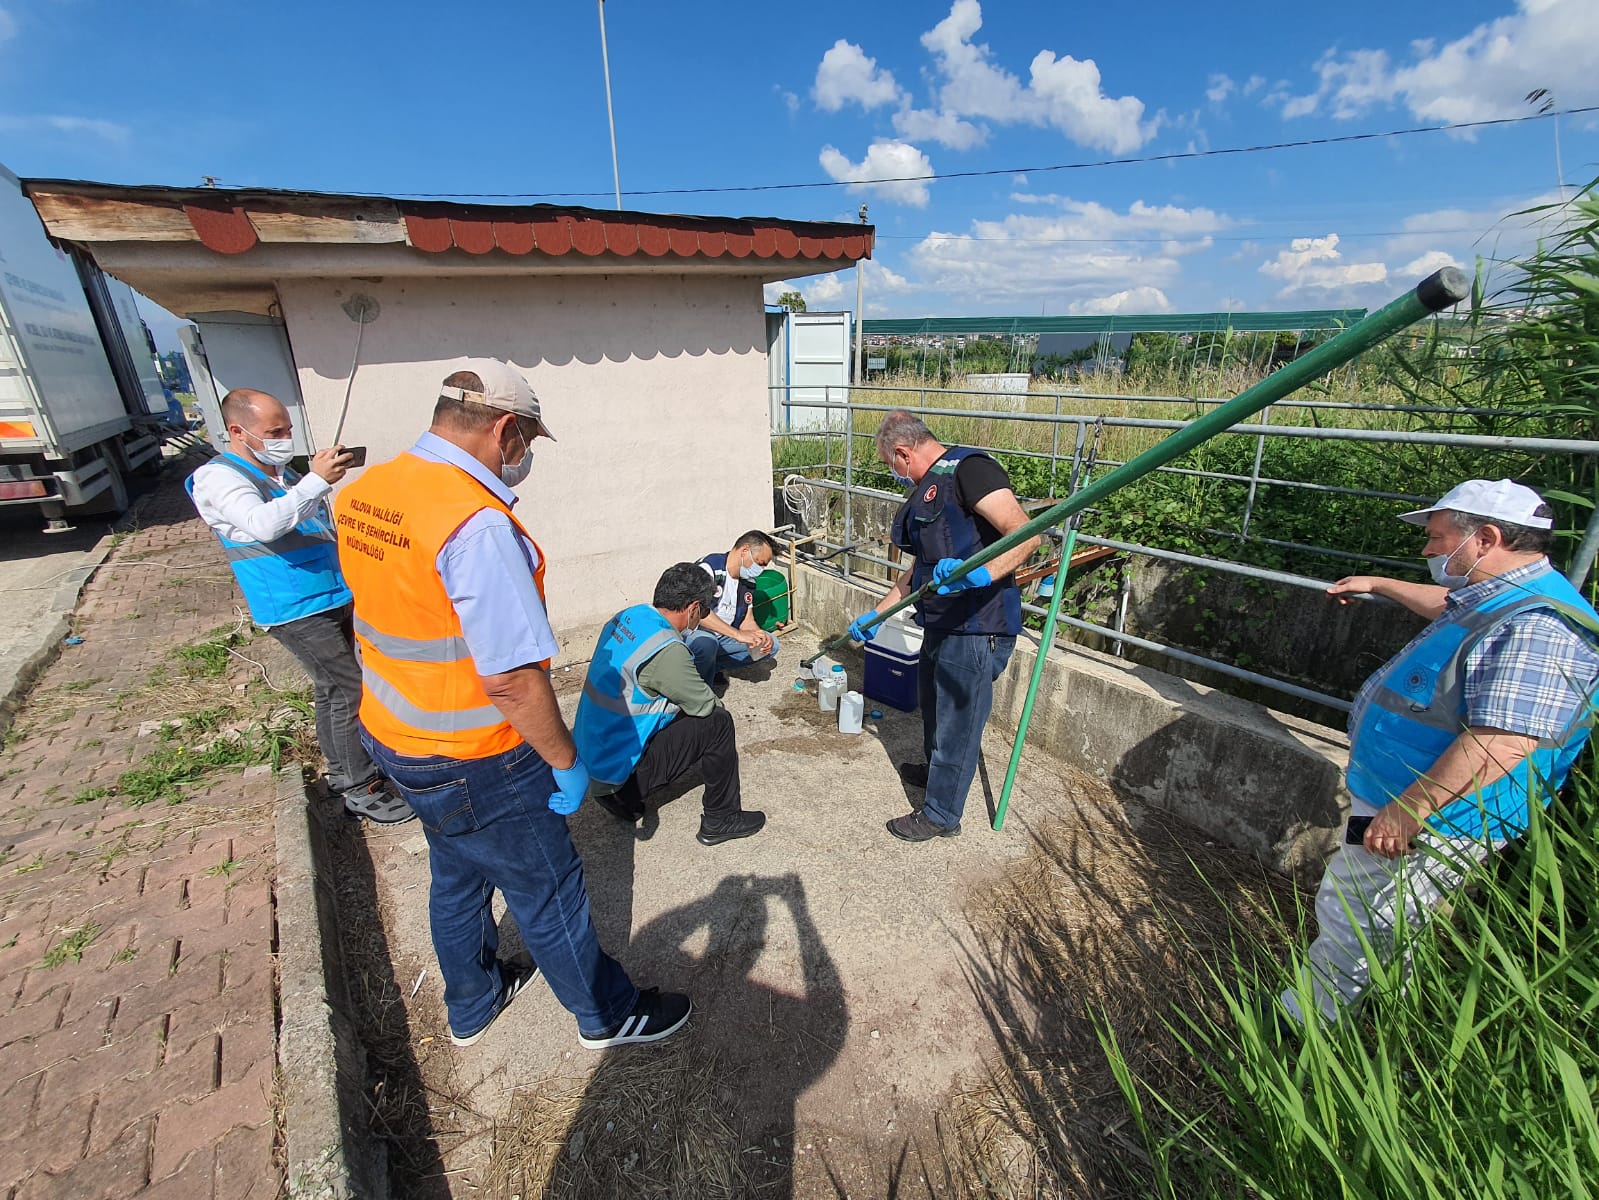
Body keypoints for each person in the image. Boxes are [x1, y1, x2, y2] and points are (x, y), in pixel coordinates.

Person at [334, 358, 690, 1049]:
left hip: (394, 736)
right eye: (526, 439)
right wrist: (563, 760)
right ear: (504, 429)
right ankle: (606, 1015)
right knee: (548, 891)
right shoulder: (477, 526)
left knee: (458, 877)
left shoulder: (368, 491)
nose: (522, 456)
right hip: (480, 758)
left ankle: (471, 1002)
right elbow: (510, 679)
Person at [1282, 479, 1599, 1025]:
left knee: (1357, 912)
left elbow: (1503, 740)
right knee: (1390, 915)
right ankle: (1380, 1015)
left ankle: (1303, 1024)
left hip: (1434, 815)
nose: (1427, 550)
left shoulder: (1539, 628)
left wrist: (1411, 808)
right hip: (1403, 801)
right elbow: (1449, 604)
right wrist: (1379, 583)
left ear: (1486, 538)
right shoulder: (1504, 595)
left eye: (1436, 538)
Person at [186, 388, 413, 824]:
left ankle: (354, 768)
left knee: (338, 689)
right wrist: (316, 481)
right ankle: (356, 785)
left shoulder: (278, 474)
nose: (284, 438)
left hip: (330, 594)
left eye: (288, 428)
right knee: (346, 689)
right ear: (238, 431)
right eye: (274, 431)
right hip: (294, 607)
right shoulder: (218, 478)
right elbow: (263, 524)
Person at [848, 411, 1040, 842]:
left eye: (890, 464)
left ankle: (940, 813)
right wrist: (876, 615)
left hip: (976, 625)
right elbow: (919, 571)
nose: (893, 473)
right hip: (940, 622)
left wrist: (982, 573)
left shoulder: (970, 470)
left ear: (902, 452)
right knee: (934, 710)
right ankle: (938, 775)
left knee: (958, 723)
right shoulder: (928, 492)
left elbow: (1026, 534)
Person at [575, 563, 766, 846]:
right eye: (703, 612)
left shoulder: (629, 617)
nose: (702, 618)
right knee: (718, 723)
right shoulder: (666, 650)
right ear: (692, 609)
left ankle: (624, 796)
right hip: (619, 783)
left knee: (675, 705)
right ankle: (721, 818)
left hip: (591, 763)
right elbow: (705, 706)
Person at [686, 531, 781, 685]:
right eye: (760, 563)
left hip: (723, 637)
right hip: (694, 635)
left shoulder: (748, 582)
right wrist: (737, 635)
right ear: (745, 551)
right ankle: (698, 688)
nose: (761, 570)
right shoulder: (710, 569)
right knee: (707, 644)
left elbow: (747, 620)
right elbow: (697, 612)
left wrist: (758, 636)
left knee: (772, 644)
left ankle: (712, 668)